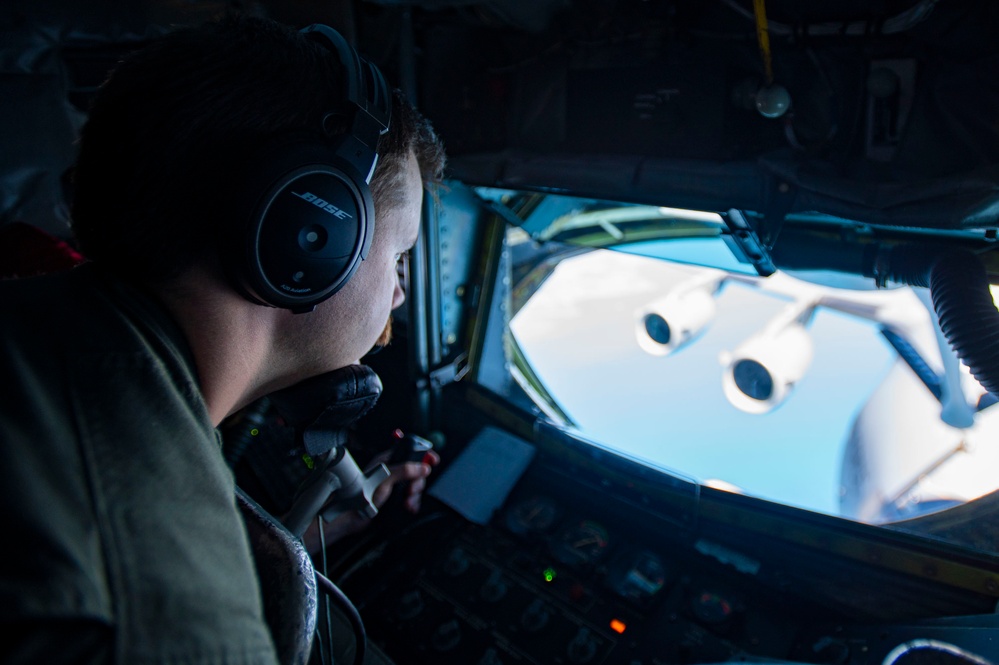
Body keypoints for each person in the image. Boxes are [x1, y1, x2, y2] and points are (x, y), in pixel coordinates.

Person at [0, 12, 445, 664]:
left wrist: (284, 540)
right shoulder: (170, 625)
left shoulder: (44, 325)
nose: (399, 297)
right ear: (308, 234)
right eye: (399, 257)